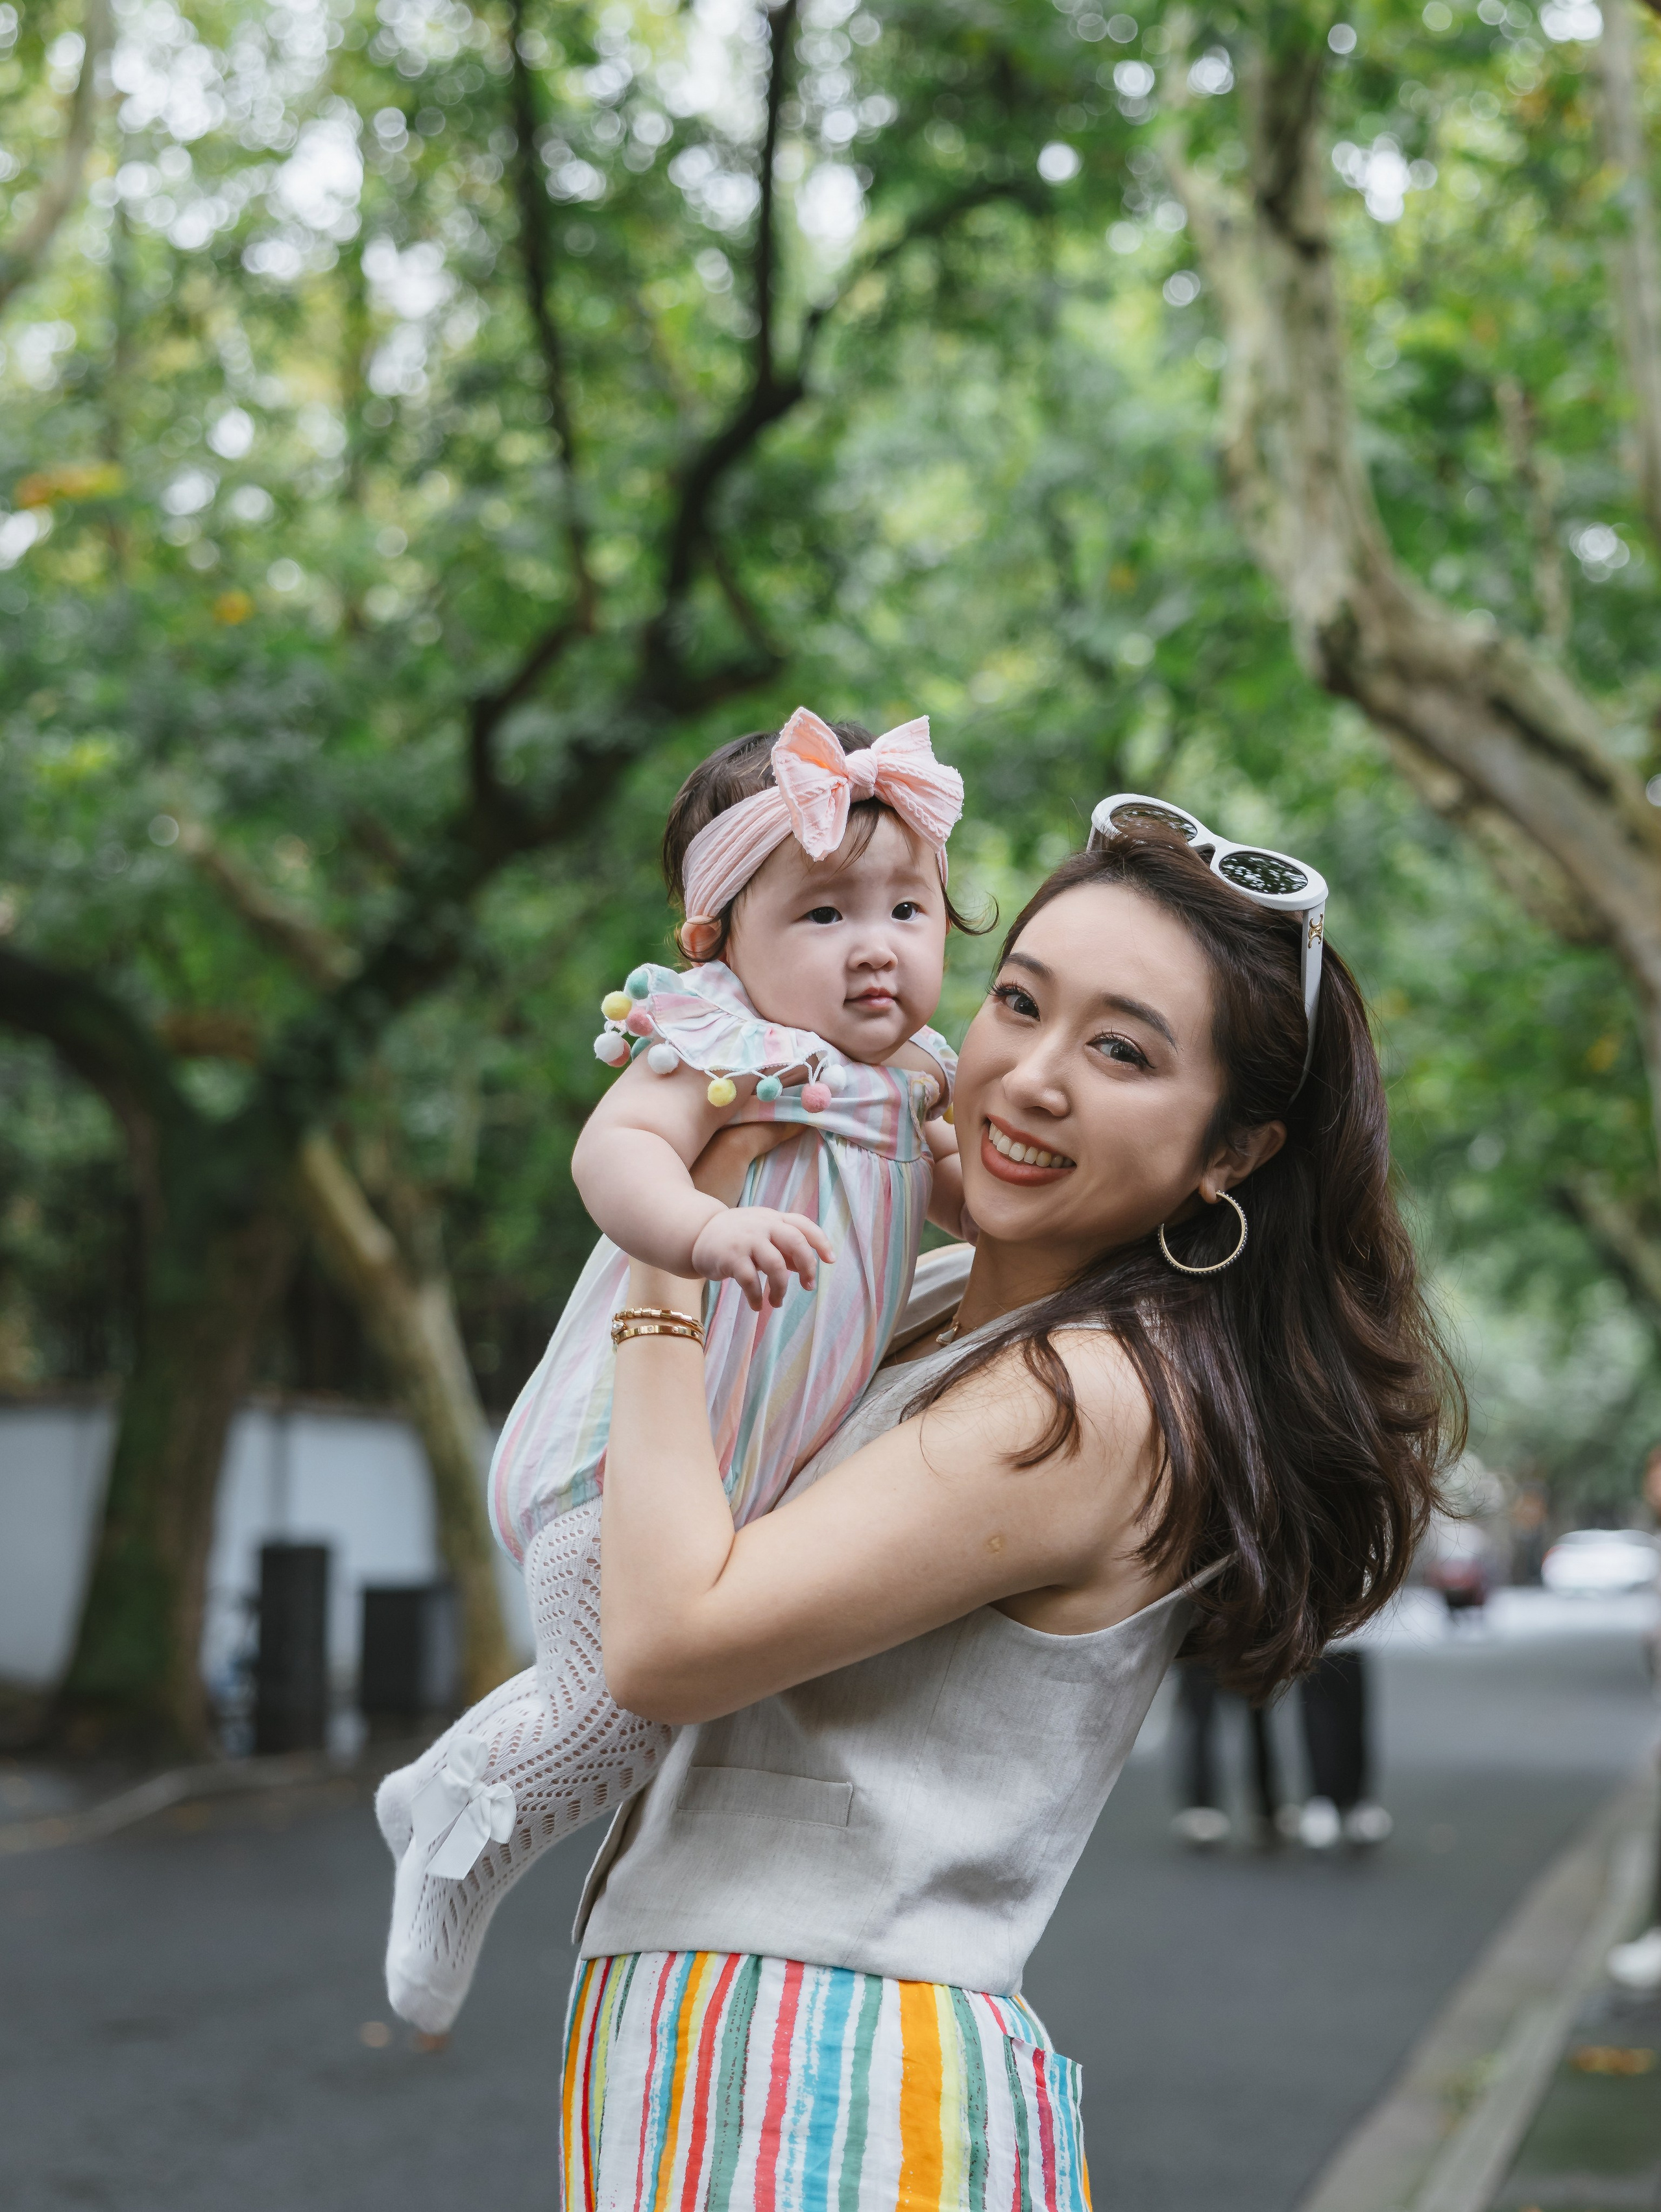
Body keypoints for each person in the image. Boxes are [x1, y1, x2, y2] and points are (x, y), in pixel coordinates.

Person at [564, 804, 1459, 2207]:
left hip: (829, 2089)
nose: (1030, 1077)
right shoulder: (925, 1309)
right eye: (1018, 1004)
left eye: (1119, 1050)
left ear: (1230, 1152)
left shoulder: (1087, 1398)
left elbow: (669, 1640)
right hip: (727, 2056)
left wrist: (662, 1259)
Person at [375, 707, 972, 2033]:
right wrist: (702, 1226)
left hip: (730, 1480)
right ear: (723, 947)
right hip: (622, 1449)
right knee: (624, 1709)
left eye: (908, 909)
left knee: (633, 1695)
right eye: (822, 914)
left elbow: (961, 1202)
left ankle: (448, 1790)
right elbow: (614, 1155)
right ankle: (459, 1829)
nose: (875, 945)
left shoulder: (912, 1082)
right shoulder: (721, 1046)